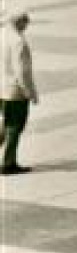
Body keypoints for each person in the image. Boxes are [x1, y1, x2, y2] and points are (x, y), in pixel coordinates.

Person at [1, 11, 40, 174]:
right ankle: (8, 163)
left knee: (6, 123)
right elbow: (22, 72)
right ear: (20, 22)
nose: (27, 26)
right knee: (14, 126)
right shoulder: (18, 42)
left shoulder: (2, 36)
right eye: (26, 22)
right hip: (14, 91)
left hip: (1, 88)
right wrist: (30, 92)